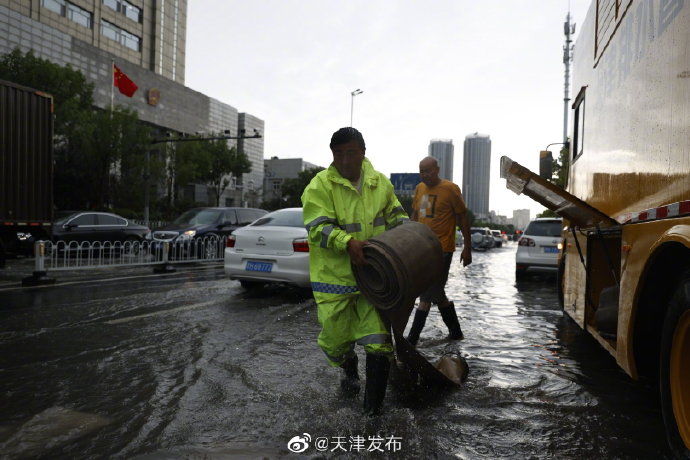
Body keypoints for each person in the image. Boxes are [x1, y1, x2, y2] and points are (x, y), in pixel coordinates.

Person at [301, 127, 408, 415]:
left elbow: (397, 217)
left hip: (374, 282)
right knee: (336, 344)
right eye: (339, 154)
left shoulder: (380, 184)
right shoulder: (319, 186)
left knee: (379, 343)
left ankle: (372, 414)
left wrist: (410, 236)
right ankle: (349, 367)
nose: (345, 161)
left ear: (363, 152)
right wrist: (347, 243)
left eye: (351, 153)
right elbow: (317, 228)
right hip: (335, 282)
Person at [407, 156, 472, 346]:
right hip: (422, 249)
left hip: (442, 250)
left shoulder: (450, 189)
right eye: (422, 171)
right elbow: (416, 215)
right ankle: (456, 333)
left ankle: (411, 341)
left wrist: (468, 248)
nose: (425, 175)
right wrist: (409, 237)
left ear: (437, 169)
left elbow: (463, 218)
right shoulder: (420, 188)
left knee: (425, 295)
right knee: (437, 294)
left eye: (428, 171)